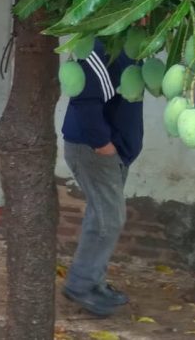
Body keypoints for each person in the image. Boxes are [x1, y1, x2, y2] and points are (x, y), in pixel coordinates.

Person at [59, 39, 144, 317]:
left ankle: (93, 281)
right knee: (110, 218)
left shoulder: (130, 46)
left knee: (101, 217)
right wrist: (102, 144)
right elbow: (84, 99)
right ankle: (81, 285)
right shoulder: (101, 49)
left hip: (113, 150)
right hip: (93, 149)